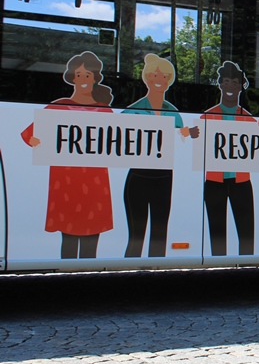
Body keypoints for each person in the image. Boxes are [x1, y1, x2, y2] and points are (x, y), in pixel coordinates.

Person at [21, 51, 114, 259]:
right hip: (66, 183)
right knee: (68, 241)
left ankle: (88, 280)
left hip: (94, 182)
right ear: (72, 78)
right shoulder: (57, 106)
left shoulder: (105, 111)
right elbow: (29, 135)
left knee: (91, 241)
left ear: (94, 79)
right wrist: (36, 141)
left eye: (88, 75)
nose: (83, 79)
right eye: (79, 75)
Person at [121, 53, 199, 258]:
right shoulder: (133, 110)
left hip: (164, 178)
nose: (160, 80)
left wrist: (187, 134)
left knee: (159, 233)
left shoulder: (173, 112)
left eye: (165, 76)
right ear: (147, 78)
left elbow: (178, 140)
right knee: (136, 236)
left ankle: (153, 275)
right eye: (156, 76)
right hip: (138, 178)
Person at [201, 61, 259, 256]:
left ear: (241, 87)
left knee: (246, 230)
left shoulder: (248, 118)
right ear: (220, 85)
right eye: (226, 81)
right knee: (217, 230)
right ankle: (217, 265)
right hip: (214, 182)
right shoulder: (208, 116)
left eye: (235, 83)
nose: (230, 86)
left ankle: (247, 266)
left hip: (241, 182)